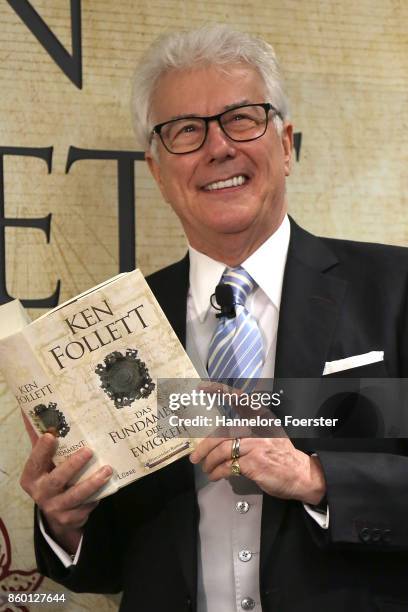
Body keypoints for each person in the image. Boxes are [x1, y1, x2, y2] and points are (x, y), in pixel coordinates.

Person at [20, 25, 408, 612]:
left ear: (285, 143)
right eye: (185, 131)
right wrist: (65, 522)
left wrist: (316, 478)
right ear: (155, 170)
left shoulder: (396, 288)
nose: (217, 147)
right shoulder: (117, 329)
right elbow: (103, 566)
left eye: (243, 119)